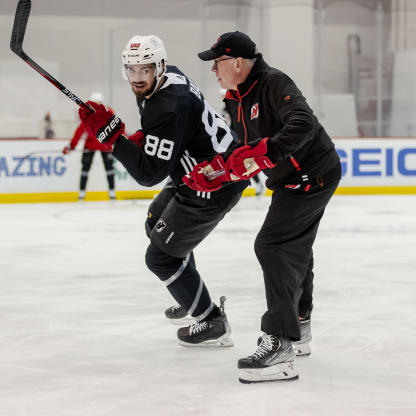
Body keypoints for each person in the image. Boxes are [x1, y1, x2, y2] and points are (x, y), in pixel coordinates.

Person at [185, 31, 341, 383]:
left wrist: (266, 153)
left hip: (313, 172)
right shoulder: (235, 98)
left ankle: (281, 344)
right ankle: (299, 325)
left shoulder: (273, 82)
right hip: (289, 178)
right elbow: (242, 149)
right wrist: (220, 170)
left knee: (273, 246)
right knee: (295, 248)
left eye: (217, 62)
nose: (213, 70)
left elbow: (303, 122)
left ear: (238, 63)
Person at [78, 35, 248, 346]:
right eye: (131, 70)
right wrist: (140, 136)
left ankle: (211, 322)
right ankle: (189, 294)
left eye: (144, 70)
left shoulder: (166, 105)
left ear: (158, 66)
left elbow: (148, 173)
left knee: (160, 258)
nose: (138, 78)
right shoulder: (172, 75)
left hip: (211, 182)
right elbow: (178, 127)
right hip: (197, 171)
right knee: (154, 221)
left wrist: (113, 139)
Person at [62, 92, 116, 200]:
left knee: (109, 169)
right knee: (85, 169)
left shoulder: (108, 114)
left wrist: (118, 142)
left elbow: (116, 128)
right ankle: (82, 192)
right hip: (93, 146)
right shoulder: (88, 115)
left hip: (104, 146)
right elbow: (80, 131)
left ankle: (111, 192)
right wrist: (71, 146)